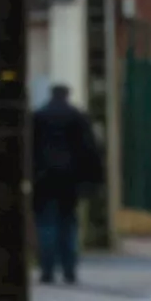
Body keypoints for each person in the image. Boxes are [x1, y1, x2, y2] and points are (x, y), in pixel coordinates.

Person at [31, 85, 104, 284]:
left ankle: (47, 270)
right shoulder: (78, 117)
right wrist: (94, 181)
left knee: (46, 224)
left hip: (43, 178)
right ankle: (69, 270)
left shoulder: (38, 117)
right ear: (67, 95)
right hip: (70, 179)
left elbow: (29, 148)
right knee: (68, 224)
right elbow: (90, 151)